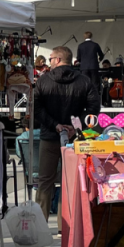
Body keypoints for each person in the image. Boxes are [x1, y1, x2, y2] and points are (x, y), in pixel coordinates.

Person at [34, 46, 101, 220]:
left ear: (57, 60)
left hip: (49, 136)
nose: (49, 62)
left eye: (50, 59)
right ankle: (68, 226)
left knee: (44, 182)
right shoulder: (85, 81)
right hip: (75, 139)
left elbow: (36, 108)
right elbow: (94, 109)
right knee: (70, 181)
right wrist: (76, 126)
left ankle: (41, 223)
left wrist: (55, 125)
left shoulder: (43, 81)